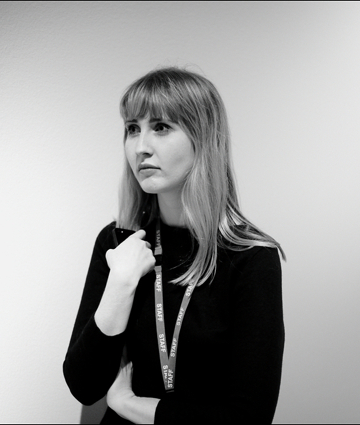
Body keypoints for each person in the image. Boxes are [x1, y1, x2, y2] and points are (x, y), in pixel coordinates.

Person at [63, 67, 286, 424]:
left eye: (161, 127)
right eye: (132, 129)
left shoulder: (251, 257)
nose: (140, 147)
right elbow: (84, 385)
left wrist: (129, 405)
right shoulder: (118, 242)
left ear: (203, 138)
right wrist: (120, 283)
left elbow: (248, 417)